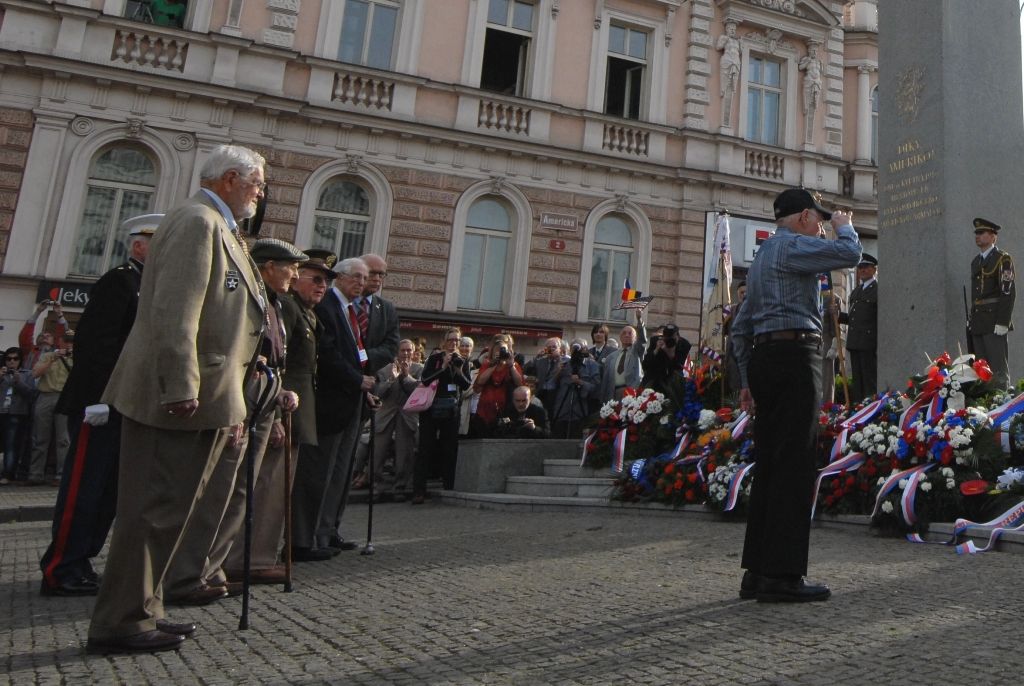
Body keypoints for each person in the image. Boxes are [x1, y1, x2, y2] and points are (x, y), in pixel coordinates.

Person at [86, 144, 267, 654]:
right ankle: (121, 619)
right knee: (151, 511)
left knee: (171, 513)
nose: (260, 193)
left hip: (209, 396)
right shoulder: (197, 221)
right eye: (257, 184)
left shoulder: (217, 225)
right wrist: (181, 384)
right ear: (231, 178)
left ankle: (145, 609)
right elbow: (176, 311)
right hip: (181, 397)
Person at [731, 188, 861, 604]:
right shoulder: (793, 247)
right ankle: (783, 575)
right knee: (794, 463)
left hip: (765, 358)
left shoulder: (763, 256)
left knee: (770, 462)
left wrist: (745, 378)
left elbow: (740, 326)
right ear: (804, 217)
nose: (822, 225)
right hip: (794, 356)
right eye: (819, 219)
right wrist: (846, 228)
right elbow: (851, 255)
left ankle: (756, 570)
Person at [162, 238, 304, 601]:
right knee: (219, 489)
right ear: (268, 267)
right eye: (290, 266)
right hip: (240, 396)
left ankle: (212, 568)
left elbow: (273, 354)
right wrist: (233, 405)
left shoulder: (275, 303)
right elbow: (230, 351)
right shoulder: (245, 295)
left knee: (241, 492)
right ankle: (189, 571)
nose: (296, 273)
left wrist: (280, 393)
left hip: (265, 398)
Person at [38, 214, 158, 596]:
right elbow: (97, 345)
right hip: (102, 405)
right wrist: (100, 399)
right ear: (139, 245)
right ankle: (61, 567)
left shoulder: (147, 286)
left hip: (125, 403)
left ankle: (82, 560)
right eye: (157, 242)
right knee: (84, 488)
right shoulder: (119, 280)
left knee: (107, 492)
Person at [291, 257, 374, 561]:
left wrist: (364, 385)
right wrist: (357, 380)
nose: (361, 284)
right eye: (357, 277)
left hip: (349, 400)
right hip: (329, 402)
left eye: (365, 279)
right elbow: (326, 354)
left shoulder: (350, 311)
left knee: (338, 473)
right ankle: (306, 537)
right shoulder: (327, 307)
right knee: (318, 473)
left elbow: (356, 354)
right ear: (341, 278)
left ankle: (324, 532)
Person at [413, 328, 472, 504]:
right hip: (431, 408)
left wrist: (458, 369)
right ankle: (419, 490)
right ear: (444, 342)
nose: (454, 343)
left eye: (457, 340)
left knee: (450, 448)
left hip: (451, 409)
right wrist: (444, 367)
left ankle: (448, 486)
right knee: (425, 448)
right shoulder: (434, 358)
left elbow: (466, 384)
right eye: (451, 340)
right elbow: (426, 380)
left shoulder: (462, 361)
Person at [370, 339, 423, 501]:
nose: (406, 354)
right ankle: (376, 488)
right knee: (377, 453)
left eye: (409, 350)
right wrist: (391, 379)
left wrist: (406, 376)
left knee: (404, 454)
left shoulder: (419, 369)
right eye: (403, 350)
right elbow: (377, 393)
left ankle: (399, 487)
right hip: (385, 416)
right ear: (397, 352)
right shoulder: (385, 370)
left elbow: (418, 391)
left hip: (407, 417)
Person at [970, 218, 1015, 389]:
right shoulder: (976, 262)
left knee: (998, 371)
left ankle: (1001, 407)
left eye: (982, 233)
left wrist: (1003, 321)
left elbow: (1008, 292)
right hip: (979, 321)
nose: (977, 236)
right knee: (981, 370)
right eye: (976, 233)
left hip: (994, 320)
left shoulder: (1002, 259)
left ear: (993, 237)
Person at [29, 331, 74, 485]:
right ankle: (35, 474)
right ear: (59, 341)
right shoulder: (48, 356)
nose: (68, 344)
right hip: (46, 395)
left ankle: (61, 475)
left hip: (65, 397)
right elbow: (35, 374)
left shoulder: (77, 358)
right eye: (66, 341)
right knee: (40, 438)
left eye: (71, 342)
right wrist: (54, 358)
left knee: (63, 439)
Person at [840, 254, 878, 401]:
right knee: (857, 383)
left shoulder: (878, 290)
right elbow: (853, 319)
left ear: (874, 269)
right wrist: (837, 314)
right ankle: (858, 411)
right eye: (860, 267)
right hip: (855, 342)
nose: (862, 270)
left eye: (866, 267)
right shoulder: (856, 291)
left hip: (869, 343)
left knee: (869, 382)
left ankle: (869, 412)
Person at [472, 335, 524, 435]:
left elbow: (520, 383)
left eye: (504, 350)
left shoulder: (513, 365)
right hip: (485, 409)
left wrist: (511, 366)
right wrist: (494, 364)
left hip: (505, 408)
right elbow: (480, 382)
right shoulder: (487, 364)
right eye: (499, 350)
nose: (501, 352)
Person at [550, 338, 600, 439]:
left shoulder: (592, 365)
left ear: (585, 349)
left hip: (580, 413)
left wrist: (580, 382)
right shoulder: (563, 364)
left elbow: (596, 388)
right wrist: (558, 372)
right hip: (562, 410)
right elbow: (550, 385)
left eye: (580, 347)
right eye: (574, 347)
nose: (577, 350)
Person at [1, 347, 34, 484]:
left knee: (11, 444)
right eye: (9, 359)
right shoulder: (2, 374)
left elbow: (31, 394)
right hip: (1, 411)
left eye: (15, 359)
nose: (12, 362)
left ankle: (8, 474)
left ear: (20, 360)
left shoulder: (27, 374)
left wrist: (18, 381)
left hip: (16, 413)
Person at [599, 314, 648, 402]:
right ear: (620, 337)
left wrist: (639, 320)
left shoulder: (637, 352)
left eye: (630, 333)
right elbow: (605, 380)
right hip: (613, 395)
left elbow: (642, 340)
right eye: (624, 333)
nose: (627, 335)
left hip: (632, 394)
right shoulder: (611, 357)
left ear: (635, 338)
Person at [640, 323, 691, 394]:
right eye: (666, 337)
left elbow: (678, 366)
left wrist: (668, 351)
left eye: (672, 337)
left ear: (678, 336)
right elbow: (645, 365)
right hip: (654, 381)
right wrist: (656, 349)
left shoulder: (683, 344)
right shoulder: (655, 341)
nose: (669, 340)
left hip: (673, 383)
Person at [524, 337, 564, 417]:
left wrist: (559, 358)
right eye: (549, 347)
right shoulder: (541, 360)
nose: (551, 349)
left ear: (559, 349)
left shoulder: (563, 361)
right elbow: (525, 369)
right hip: (541, 392)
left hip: (555, 394)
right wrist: (536, 357)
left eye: (554, 347)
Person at [457, 336, 478, 437]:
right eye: (462, 346)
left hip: (472, 410)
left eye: (468, 346)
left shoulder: (475, 366)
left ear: (472, 348)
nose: (465, 348)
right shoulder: (453, 363)